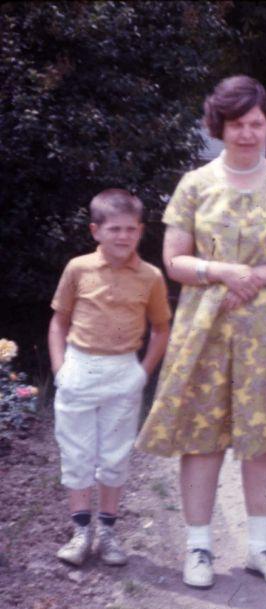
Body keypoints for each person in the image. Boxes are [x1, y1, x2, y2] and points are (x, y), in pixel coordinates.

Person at [136, 75, 266, 590]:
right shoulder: (195, 184)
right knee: (201, 440)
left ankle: (261, 548)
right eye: (237, 124)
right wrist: (222, 272)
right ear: (219, 126)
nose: (247, 133)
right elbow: (173, 260)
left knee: (262, 442)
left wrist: (257, 276)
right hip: (205, 328)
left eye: (256, 123)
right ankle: (198, 549)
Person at [50, 189, 171, 567]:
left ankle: (107, 531)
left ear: (140, 231)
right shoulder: (78, 268)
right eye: (114, 228)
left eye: (130, 229)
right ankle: (80, 531)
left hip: (123, 370)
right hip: (80, 369)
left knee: (115, 456)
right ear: (95, 230)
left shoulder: (150, 276)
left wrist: (142, 371)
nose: (123, 236)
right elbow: (59, 321)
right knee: (77, 453)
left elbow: (161, 328)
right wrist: (60, 370)